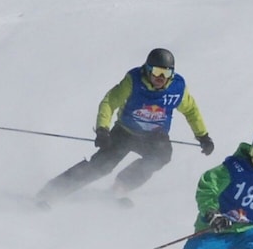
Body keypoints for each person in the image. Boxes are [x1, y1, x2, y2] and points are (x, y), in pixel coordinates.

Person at [36, 48, 214, 208]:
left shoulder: (177, 88)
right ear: (147, 69)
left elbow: (191, 110)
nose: (160, 77)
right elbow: (109, 102)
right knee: (102, 165)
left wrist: (203, 136)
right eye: (156, 71)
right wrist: (102, 129)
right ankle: (51, 192)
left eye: (166, 72)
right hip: (125, 132)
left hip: (154, 137)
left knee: (161, 156)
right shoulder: (134, 81)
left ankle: (121, 186)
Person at [183, 127, 253, 249]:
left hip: (244, 232)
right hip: (213, 232)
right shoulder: (234, 169)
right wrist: (212, 213)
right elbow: (208, 186)